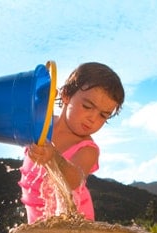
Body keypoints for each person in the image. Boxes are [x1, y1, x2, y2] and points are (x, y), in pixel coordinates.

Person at [19, 62, 125, 223]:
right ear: (66, 95)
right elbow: (14, 117)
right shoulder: (39, 125)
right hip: (36, 223)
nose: (93, 118)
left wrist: (54, 157)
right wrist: (39, 98)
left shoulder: (88, 149)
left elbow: (74, 179)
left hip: (76, 226)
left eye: (103, 115)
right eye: (87, 106)